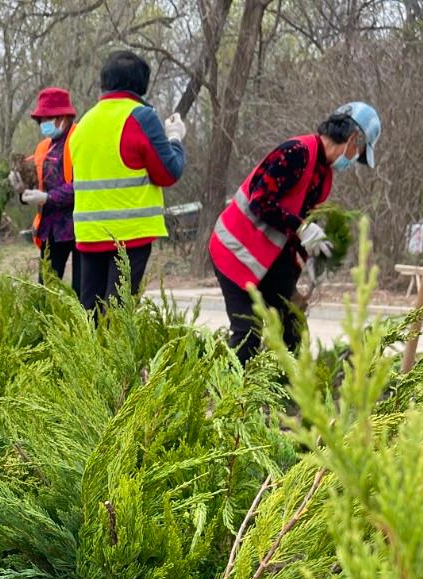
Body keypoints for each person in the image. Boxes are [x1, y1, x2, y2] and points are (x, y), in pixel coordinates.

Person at [209, 103, 381, 364]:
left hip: (264, 261)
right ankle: (229, 398)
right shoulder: (296, 153)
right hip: (234, 251)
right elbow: (261, 201)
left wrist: (309, 260)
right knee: (248, 334)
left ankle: (289, 396)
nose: (354, 159)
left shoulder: (323, 173)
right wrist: (302, 228)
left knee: (292, 327)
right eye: (358, 152)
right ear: (353, 139)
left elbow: (296, 229)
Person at [64, 50, 186, 311]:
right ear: (141, 84)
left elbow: (71, 178)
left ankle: (85, 354)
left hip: (89, 234)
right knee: (119, 318)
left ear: (104, 82)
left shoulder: (83, 124)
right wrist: (175, 137)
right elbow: (168, 172)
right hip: (130, 236)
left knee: (92, 315)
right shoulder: (141, 118)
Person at [15, 87, 79, 283]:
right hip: (51, 229)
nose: (44, 124)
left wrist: (48, 198)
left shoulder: (80, 139)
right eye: (41, 120)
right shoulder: (43, 146)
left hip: (78, 227)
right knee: (46, 289)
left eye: (47, 118)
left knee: (83, 292)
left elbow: (83, 186)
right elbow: (37, 183)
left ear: (64, 116)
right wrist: (22, 191)